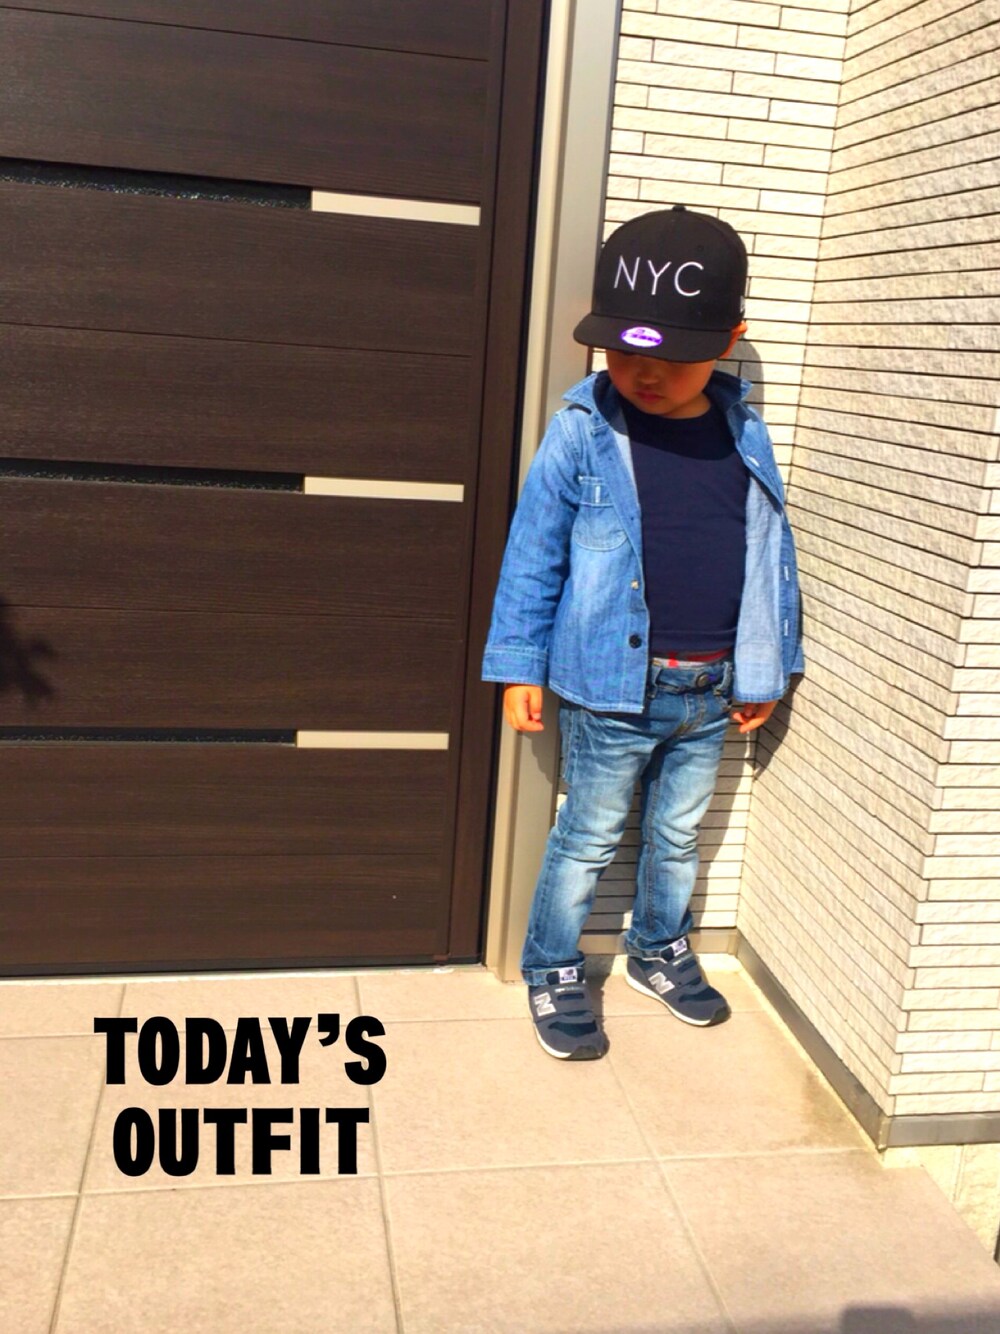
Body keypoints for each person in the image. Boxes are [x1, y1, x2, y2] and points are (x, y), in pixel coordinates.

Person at [481, 205, 804, 1060]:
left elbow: (769, 557)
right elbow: (534, 551)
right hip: (611, 686)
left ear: (729, 340)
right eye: (623, 353)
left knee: (676, 834)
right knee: (587, 834)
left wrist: (765, 669)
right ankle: (554, 965)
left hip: (712, 687)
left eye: (670, 357)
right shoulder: (583, 430)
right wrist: (519, 665)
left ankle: (658, 948)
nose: (644, 374)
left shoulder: (745, 434)